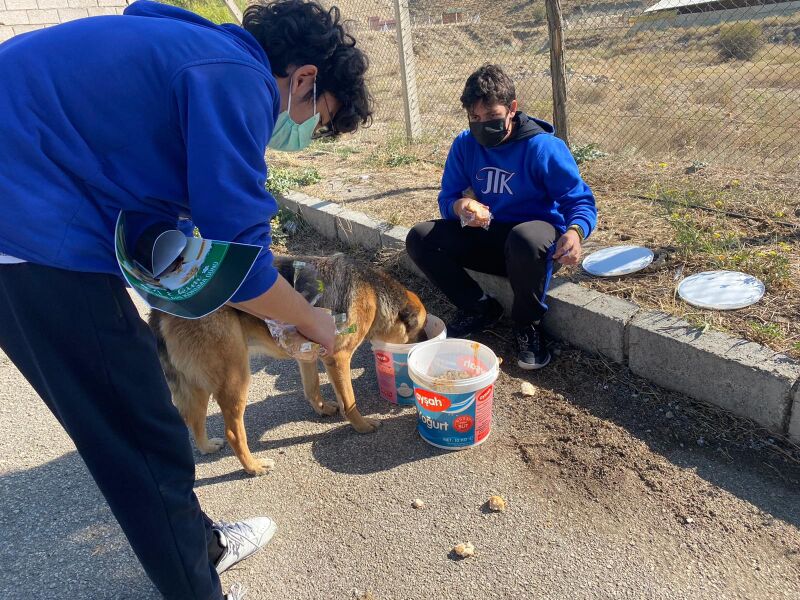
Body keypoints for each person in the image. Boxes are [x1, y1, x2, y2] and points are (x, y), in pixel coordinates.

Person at [0, 1, 372, 598]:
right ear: (304, 78)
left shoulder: (187, 48)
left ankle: (203, 547)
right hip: (27, 229)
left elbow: (161, 225)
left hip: (29, 207)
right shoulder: (237, 77)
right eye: (315, 117)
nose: (301, 133)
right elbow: (246, 264)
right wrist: (314, 321)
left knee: (142, 416)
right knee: (142, 437)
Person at [406, 64, 597, 370]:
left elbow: (580, 201)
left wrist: (575, 233)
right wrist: (461, 208)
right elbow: (448, 197)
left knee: (524, 238)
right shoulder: (465, 145)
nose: (482, 125)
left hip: (534, 244)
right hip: (490, 235)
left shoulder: (543, 147)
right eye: (475, 118)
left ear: (512, 110)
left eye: (492, 116)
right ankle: (479, 307)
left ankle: (528, 325)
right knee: (420, 237)